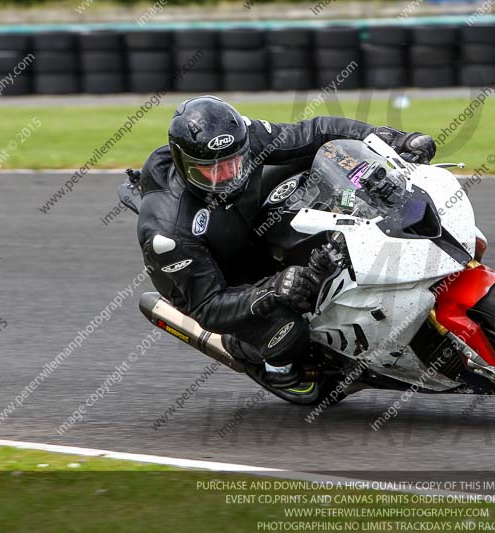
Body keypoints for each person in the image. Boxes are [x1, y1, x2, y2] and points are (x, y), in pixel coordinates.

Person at [136, 95, 436, 389]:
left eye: (234, 162)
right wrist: (272, 290)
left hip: (251, 228)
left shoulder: (246, 137)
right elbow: (208, 305)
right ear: (184, 163)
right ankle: (270, 363)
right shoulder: (168, 228)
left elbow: (315, 133)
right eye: (213, 170)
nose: (229, 175)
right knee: (288, 328)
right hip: (220, 280)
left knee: (311, 173)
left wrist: (388, 139)